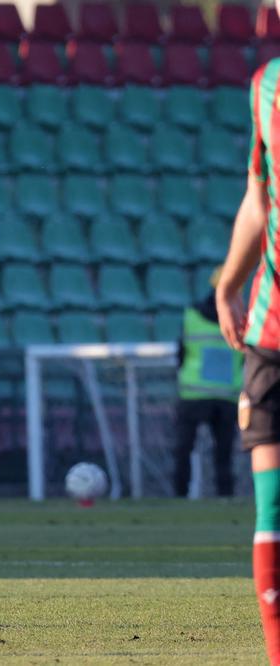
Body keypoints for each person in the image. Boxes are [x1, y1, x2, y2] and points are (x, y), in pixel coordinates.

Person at [216, 17, 280, 661]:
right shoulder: (267, 83)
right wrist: (228, 287)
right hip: (271, 328)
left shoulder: (270, 84)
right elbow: (259, 202)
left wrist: (227, 287)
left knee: (273, 507)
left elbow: (259, 204)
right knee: (273, 506)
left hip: (271, 327)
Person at [173, 266, 242, 498]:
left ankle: (179, 497)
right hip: (226, 397)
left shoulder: (192, 315)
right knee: (223, 455)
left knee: (183, 450)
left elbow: (180, 354)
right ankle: (225, 498)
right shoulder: (244, 318)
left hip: (193, 396)